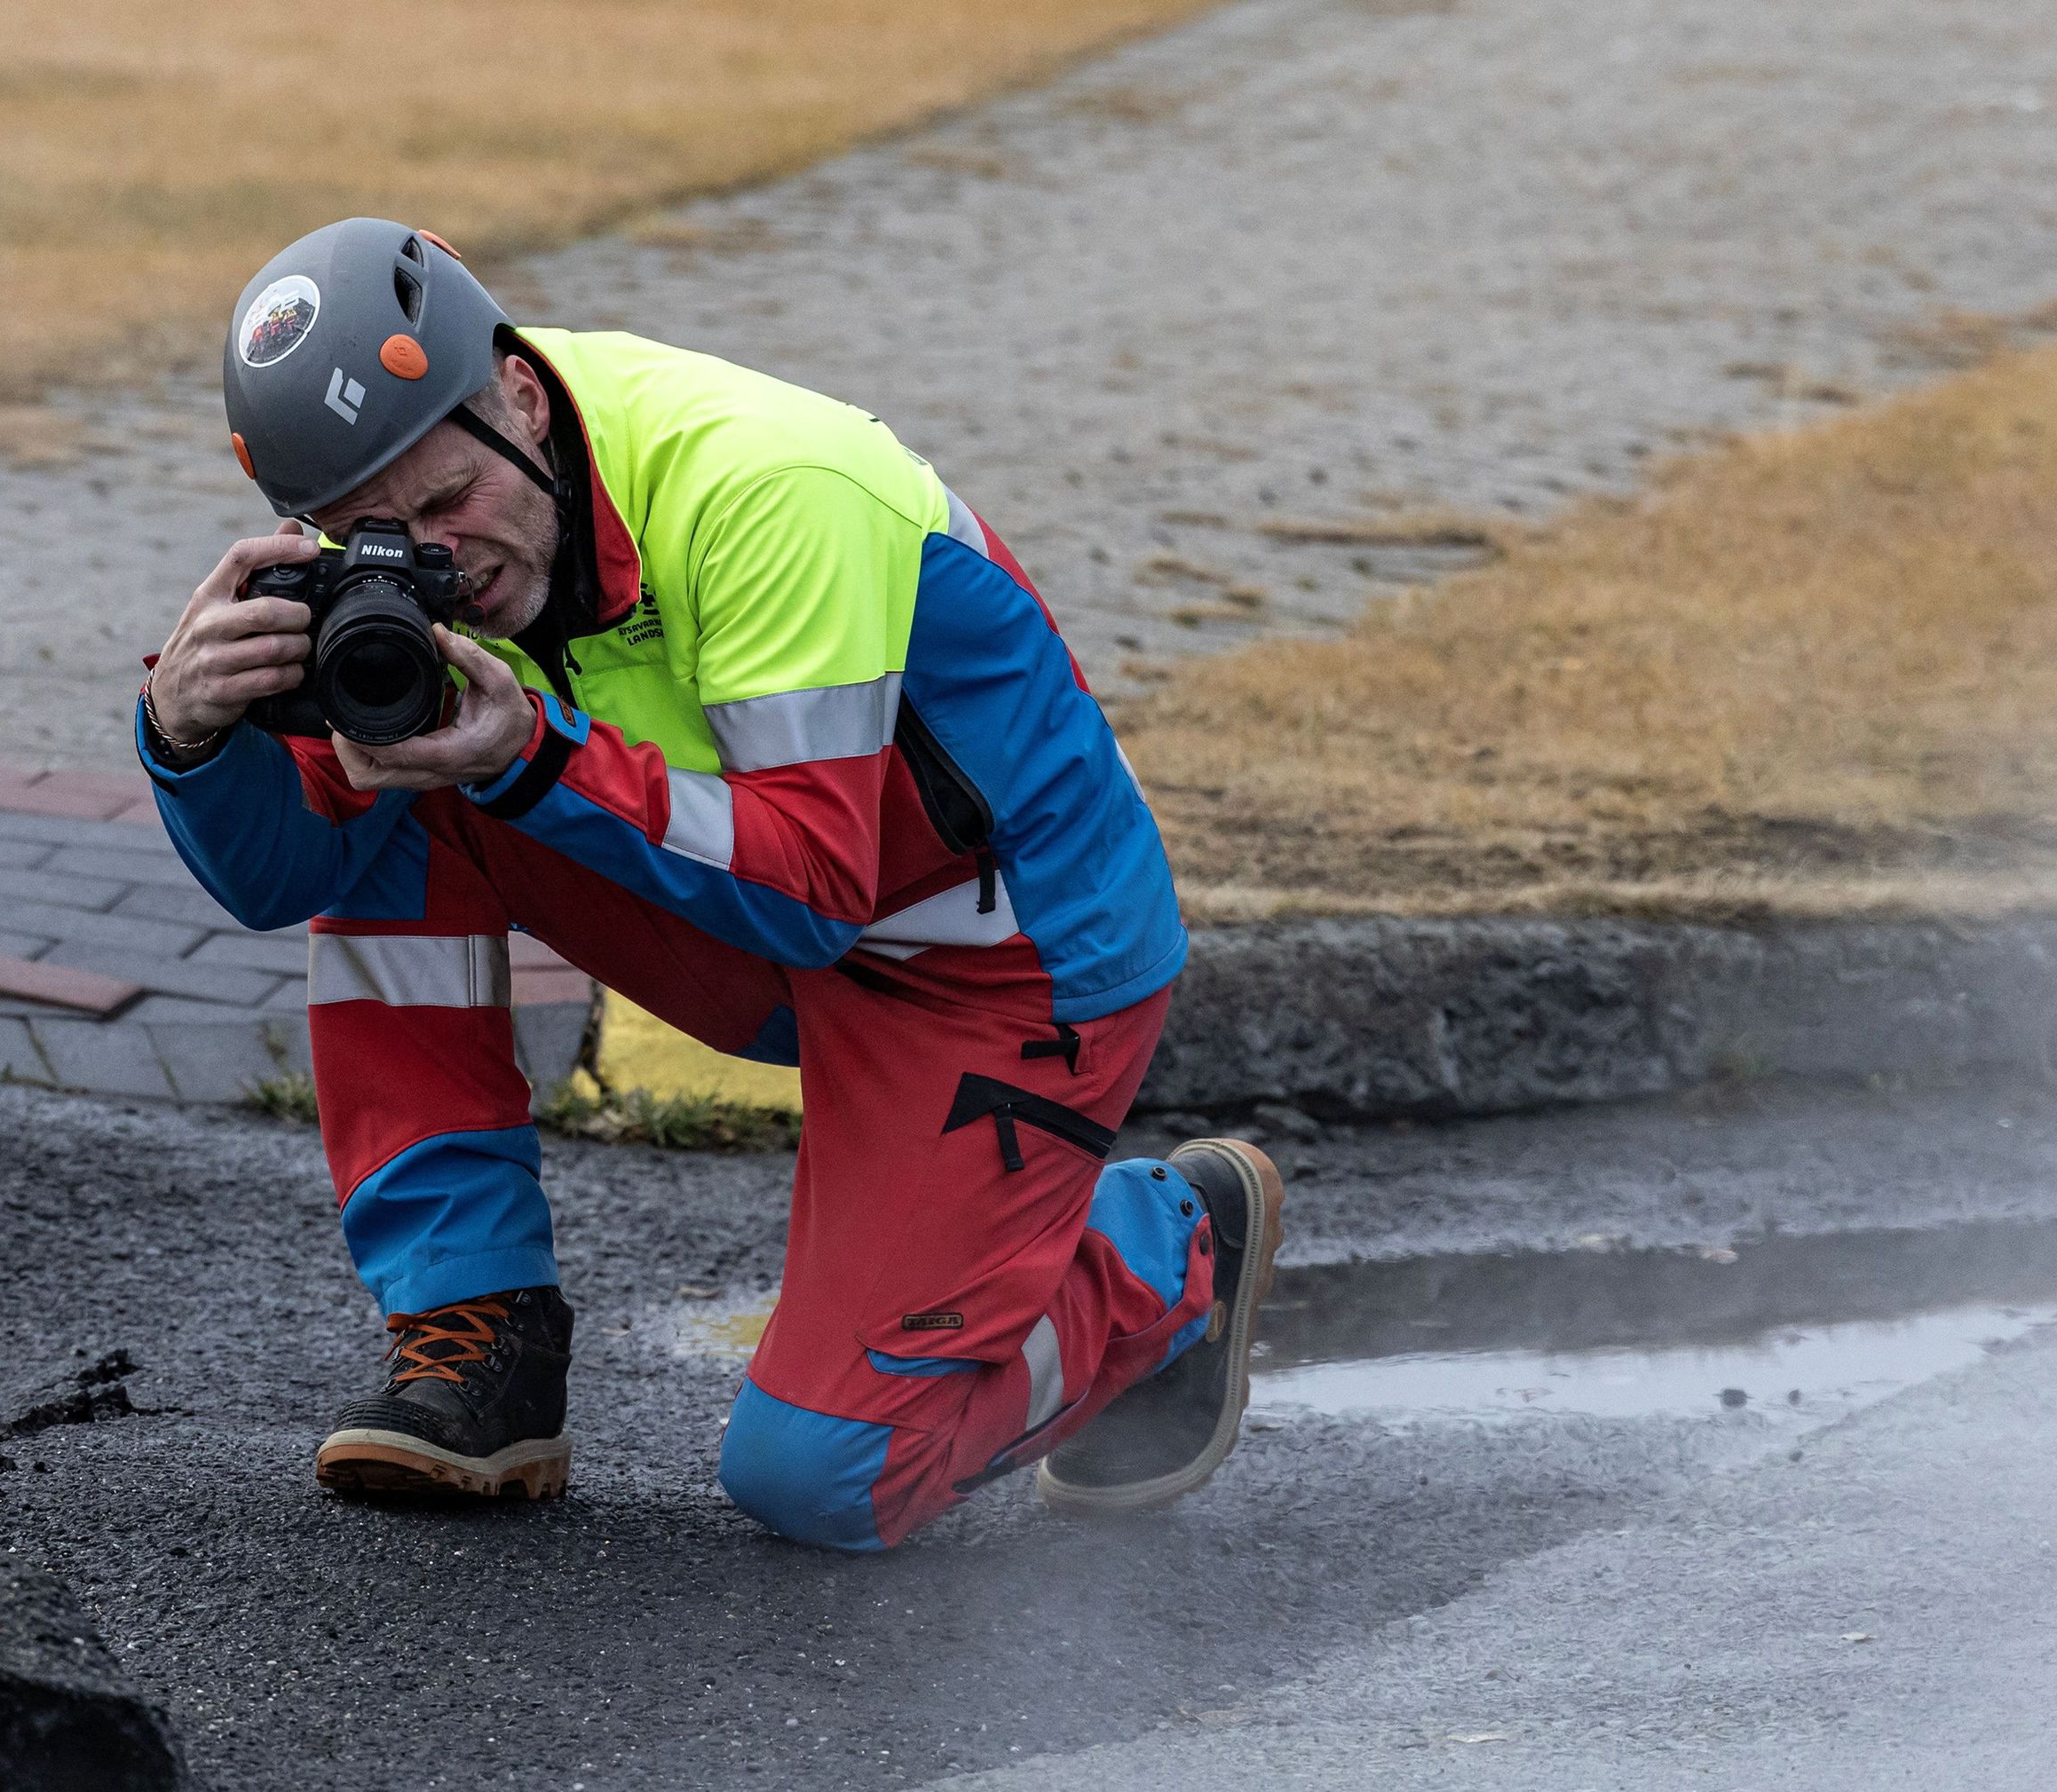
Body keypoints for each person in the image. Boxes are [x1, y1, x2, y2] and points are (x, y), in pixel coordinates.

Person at [136, 217, 1279, 1552]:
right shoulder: (410, 558)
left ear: (515, 391)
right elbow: (291, 876)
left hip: (1002, 962)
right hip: (755, 912)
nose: (439, 559)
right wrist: (185, 731)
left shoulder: (769, 489)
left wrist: (533, 757)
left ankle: (1161, 1254)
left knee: (828, 1478)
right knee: (399, 785)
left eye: (450, 505)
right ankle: (477, 1331)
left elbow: (811, 890)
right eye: (368, 535)